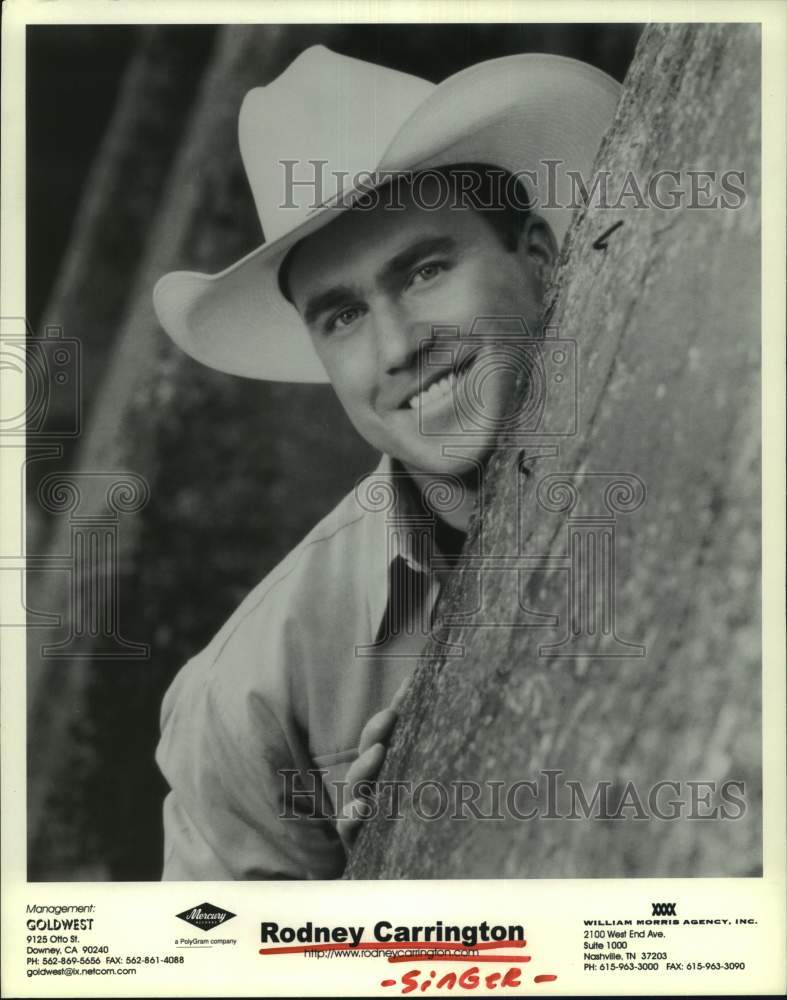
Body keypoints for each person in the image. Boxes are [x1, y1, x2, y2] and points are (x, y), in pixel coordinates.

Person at [152, 45, 620, 879]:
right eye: (341, 317)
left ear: (540, 260)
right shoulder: (247, 695)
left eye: (427, 270)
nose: (398, 346)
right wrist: (382, 890)